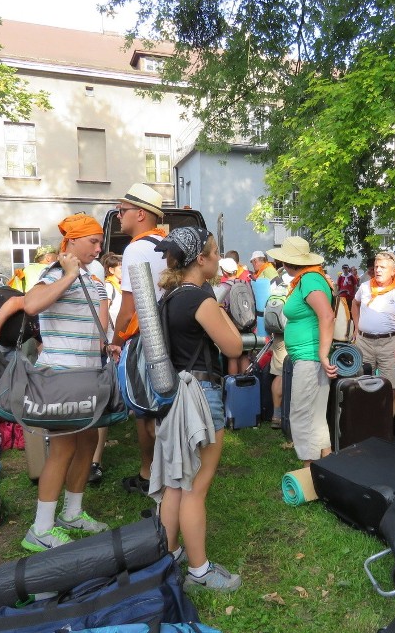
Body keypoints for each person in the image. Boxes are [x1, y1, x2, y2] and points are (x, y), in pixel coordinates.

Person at [152, 226, 243, 592]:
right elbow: (234, 346)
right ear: (200, 259)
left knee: (176, 482)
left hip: (173, 395)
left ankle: (168, 555)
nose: (219, 258)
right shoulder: (200, 301)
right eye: (215, 251)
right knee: (195, 487)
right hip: (201, 396)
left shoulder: (168, 298)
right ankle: (200, 572)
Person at [21, 213, 110, 551]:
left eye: (100, 242)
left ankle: (72, 513)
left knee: (87, 443)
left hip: (86, 375)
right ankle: (41, 528)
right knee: (63, 448)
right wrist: (69, 273)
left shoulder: (93, 279)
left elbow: (90, 325)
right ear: (71, 241)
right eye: (93, 241)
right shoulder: (56, 273)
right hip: (60, 376)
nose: (99, 248)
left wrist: (105, 344)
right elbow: (30, 305)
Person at [111, 183, 168, 497]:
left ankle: (152, 474)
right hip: (170, 336)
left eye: (122, 211)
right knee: (164, 408)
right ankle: (160, 471)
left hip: (145, 338)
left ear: (141, 214)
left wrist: (116, 340)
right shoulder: (167, 243)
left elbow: (129, 306)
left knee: (144, 410)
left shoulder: (135, 248)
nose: (119, 216)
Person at [267, 236, 337, 465]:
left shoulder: (309, 280)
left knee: (301, 415)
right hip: (310, 357)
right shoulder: (309, 279)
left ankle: (309, 470)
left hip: (310, 358)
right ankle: (327, 466)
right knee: (316, 416)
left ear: (288, 263)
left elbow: (327, 315)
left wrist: (323, 354)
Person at [351, 251, 395, 415]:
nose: (378, 270)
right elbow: (354, 304)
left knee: (391, 388)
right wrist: (356, 326)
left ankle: (386, 429)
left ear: (393, 271)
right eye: (376, 266)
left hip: (389, 344)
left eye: (383, 267)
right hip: (364, 343)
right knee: (360, 385)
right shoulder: (365, 287)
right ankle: (365, 424)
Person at [89, 252, 123, 485]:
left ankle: (94, 461)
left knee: (99, 405)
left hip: (103, 348)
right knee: (96, 405)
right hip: (100, 348)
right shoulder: (106, 288)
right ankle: (91, 461)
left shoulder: (108, 287)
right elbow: (105, 317)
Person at [267, 261, 290, 430]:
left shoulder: (277, 281)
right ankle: (285, 414)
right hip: (292, 333)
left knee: (278, 373)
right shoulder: (298, 282)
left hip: (278, 334)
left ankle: (276, 414)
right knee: (287, 375)